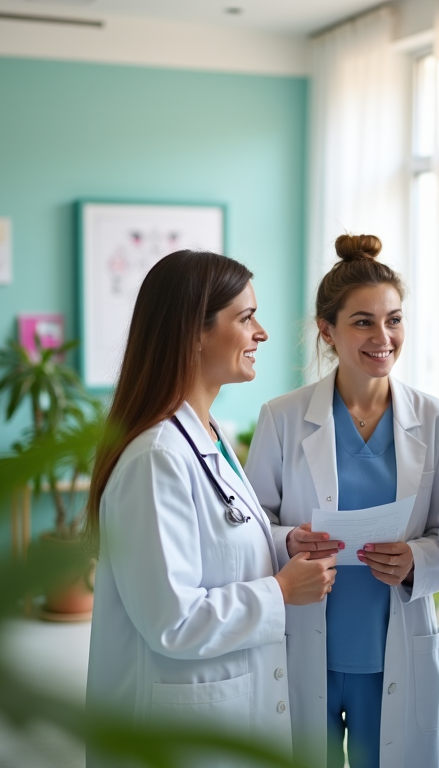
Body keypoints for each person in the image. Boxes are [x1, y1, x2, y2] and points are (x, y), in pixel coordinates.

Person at [83, 250, 337, 768]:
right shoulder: (156, 457)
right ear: (194, 332)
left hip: (224, 708)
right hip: (179, 725)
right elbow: (171, 619)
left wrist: (279, 543)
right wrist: (281, 591)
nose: (261, 332)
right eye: (245, 318)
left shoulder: (206, 434)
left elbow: (216, 541)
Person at [244, 234, 439, 768]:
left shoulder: (435, 420)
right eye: (363, 321)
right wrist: (289, 540)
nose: (383, 337)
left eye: (393, 319)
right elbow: (250, 529)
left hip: (394, 644)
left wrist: (419, 560)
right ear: (328, 330)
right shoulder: (283, 416)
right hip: (304, 644)